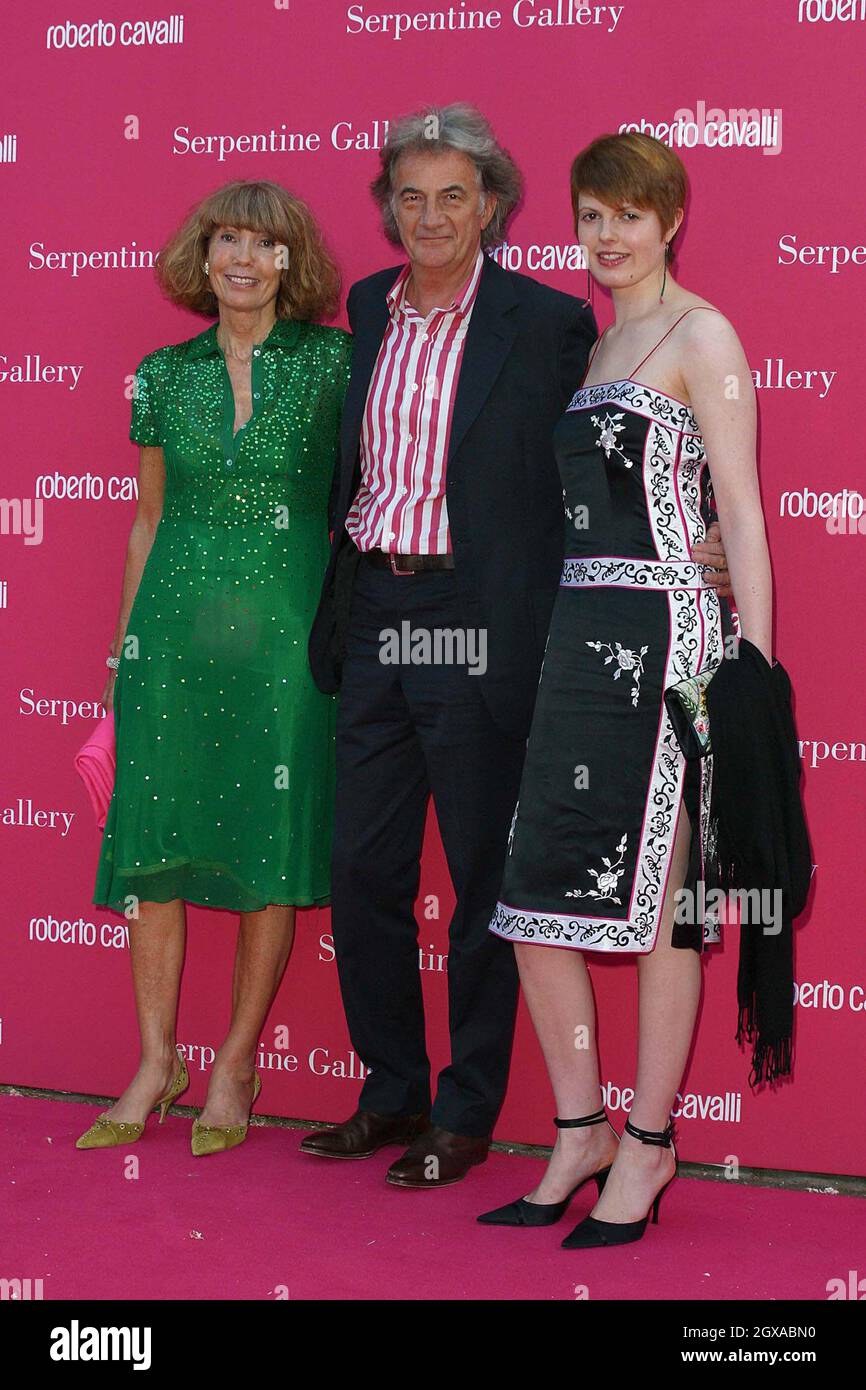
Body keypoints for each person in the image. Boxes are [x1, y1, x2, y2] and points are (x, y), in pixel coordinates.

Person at [303, 107, 730, 1188]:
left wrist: (707, 522)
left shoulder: (542, 322)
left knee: (489, 875)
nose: (431, 215)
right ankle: (391, 1089)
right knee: (362, 867)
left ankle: (465, 1109)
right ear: (387, 208)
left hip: (477, 619)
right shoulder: (364, 306)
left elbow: (619, 441)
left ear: (491, 205)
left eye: (454, 194)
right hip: (376, 612)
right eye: (410, 195)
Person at [480, 132, 770, 1246]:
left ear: (669, 221)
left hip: (668, 640)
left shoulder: (704, 334)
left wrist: (751, 678)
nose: (605, 238)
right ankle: (577, 1128)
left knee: (661, 909)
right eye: (588, 215)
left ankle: (646, 1145)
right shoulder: (595, 349)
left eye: (626, 217)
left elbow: (737, 508)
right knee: (528, 900)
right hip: (577, 637)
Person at [80, 181, 352, 1156]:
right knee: (152, 849)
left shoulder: (334, 364)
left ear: (291, 260)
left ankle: (235, 1062)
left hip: (286, 642)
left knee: (269, 846)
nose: (241, 257)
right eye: (224, 239)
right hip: (173, 638)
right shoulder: (162, 373)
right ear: (201, 258)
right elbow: (147, 519)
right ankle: (157, 1061)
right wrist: (121, 655)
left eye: (262, 243)